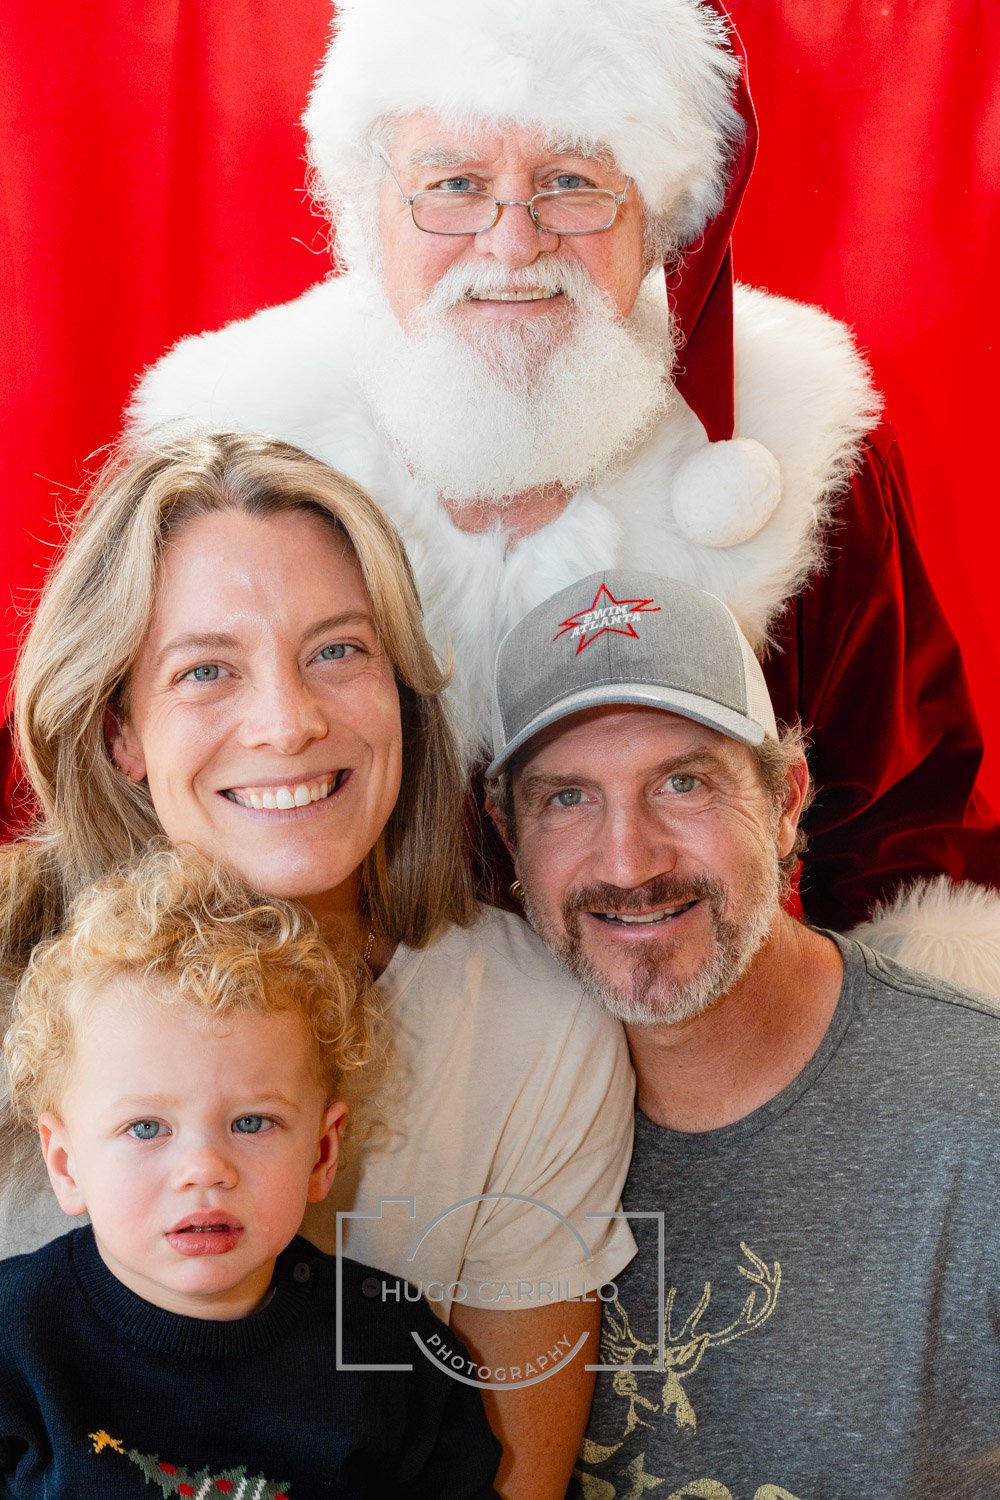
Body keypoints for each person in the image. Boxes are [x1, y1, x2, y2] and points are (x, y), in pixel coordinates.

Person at [127, 0, 1000, 992]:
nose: (512, 243)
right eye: (453, 185)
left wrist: (911, 1071)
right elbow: (83, 804)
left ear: (658, 216)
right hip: (314, 1060)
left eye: (572, 183)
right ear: (364, 209)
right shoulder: (223, 458)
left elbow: (904, 841)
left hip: (698, 1058)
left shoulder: (796, 443)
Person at [0, 431, 635, 1499]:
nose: (288, 723)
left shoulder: (532, 1025)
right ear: (120, 733)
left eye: (338, 651)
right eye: (206, 670)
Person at [484, 568, 1000, 1498]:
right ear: (508, 834)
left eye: (683, 783)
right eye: (567, 799)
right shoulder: (475, 1103)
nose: (628, 862)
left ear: (787, 799)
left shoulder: (978, 1112)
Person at [0, 844, 502, 1497]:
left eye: (252, 1123)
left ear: (322, 1153)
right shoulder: (16, 1338)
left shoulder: (391, 1351)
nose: (205, 1169)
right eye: (147, 1128)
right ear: (67, 1166)